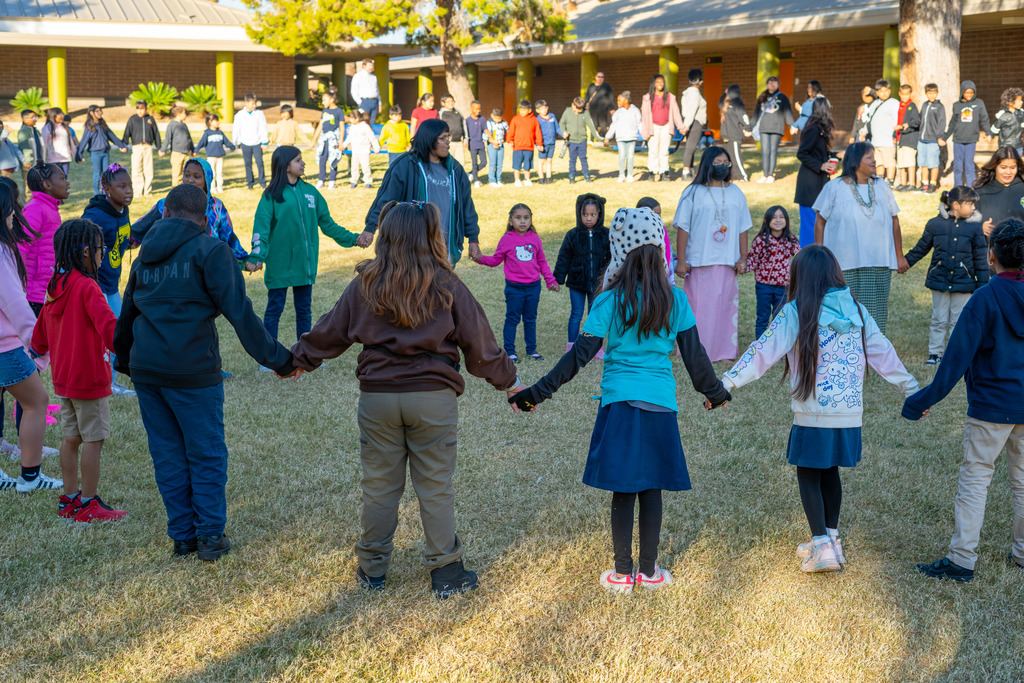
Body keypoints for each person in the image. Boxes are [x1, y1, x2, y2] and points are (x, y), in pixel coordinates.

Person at [290, 200, 520, 598]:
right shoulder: (448, 285)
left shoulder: (366, 283)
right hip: (433, 400)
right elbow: (480, 344)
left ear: (387, 236)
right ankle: (446, 574)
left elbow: (330, 330)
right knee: (435, 487)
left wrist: (299, 360)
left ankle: (372, 570)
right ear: (432, 237)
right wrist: (509, 383)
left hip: (378, 400)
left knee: (379, 487)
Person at [509, 206, 731, 592]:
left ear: (619, 250)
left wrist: (535, 395)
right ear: (660, 247)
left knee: (623, 488)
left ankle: (621, 572)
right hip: (661, 404)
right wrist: (714, 393)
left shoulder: (608, 301)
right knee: (652, 487)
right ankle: (649, 571)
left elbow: (578, 356)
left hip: (619, 405)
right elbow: (696, 358)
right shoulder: (675, 299)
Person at [114, 184, 295, 560]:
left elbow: (127, 312)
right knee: (206, 452)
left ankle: (183, 537)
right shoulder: (212, 251)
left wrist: (124, 361)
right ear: (206, 217)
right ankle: (210, 536)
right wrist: (281, 360)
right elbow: (240, 315)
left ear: (165, 213)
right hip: (192, 369)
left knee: (167, 453)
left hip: (147, 369)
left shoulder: (145, 253)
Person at [723, 245, 918, 573]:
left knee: (809, 473)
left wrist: (727, 382)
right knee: (830, 473)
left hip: (813, 413)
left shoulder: (796, 310)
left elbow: (763, 350)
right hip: (848, 415)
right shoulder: (855, 309)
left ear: (801, 277)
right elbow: (883, 351)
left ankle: (821, 546)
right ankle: (831, 541)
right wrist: (910, 388)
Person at [906, 218, 1024, 583]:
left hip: (991, 408)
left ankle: (961, 560)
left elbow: (954, 361)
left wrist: (921, 400)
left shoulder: (983, 299)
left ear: (991, 257)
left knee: (975, 480)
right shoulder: (984, 299)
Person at [31, 219, 126, 522]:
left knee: (70, 438)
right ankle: (89, 504)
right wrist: (130, 345)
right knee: (94, 440)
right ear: (86, 251)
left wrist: (39, 350)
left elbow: (40, 336)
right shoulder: (88, 286)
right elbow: (110, 330)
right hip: (89, 379)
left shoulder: (55, 286)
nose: (103, 254)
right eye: (100, 249)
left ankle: (69, 499)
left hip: (64, 380)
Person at [246, 146, 358, 352]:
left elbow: (328, 225)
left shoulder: (311, 192)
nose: (303, 163)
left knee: (304, 310)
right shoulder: (271, 196)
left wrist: (354, 239)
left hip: (303, 265)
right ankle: (270, 355)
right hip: (280, 264)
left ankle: (305, 352)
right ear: (285, 166)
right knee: (274, 310)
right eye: (298, 160)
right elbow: (260, 229)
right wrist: (257, 255)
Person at [812, 142, 908, 333]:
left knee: (875, 314)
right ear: (856, 161)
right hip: (843, 264)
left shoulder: (881, 186)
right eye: (869, 157)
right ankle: (844, 351)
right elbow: (820, 222)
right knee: (844, 314)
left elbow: (894, 221)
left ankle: (873, 349)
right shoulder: (834, 187)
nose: (874, 160)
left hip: (878, 262)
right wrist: (820, 257)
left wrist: (899, 255)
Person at [0, 177, 59, 492]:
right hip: (6, 349)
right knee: (37, 401)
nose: (16, 213)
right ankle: (31, 478)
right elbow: (14, 304)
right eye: (12, 207)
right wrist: (36, 343)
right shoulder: (1, 252)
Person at [673, 146, 753, 362]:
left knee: (725, 307)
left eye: (726, 162)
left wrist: (743, 257)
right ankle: (694, 351)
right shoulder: (692, 192)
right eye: (717, 162)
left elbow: (743, 228)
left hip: (728, 261)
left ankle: (724, 352)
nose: (722, 166)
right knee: (699, 309)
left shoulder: (736, 192)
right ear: (707, 164)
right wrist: (681, 261)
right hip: (699, 261)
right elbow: (683, 227)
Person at [362, 119, 482, 263]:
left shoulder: (455, 170)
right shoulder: (406, 165)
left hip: (445, 247)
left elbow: (467, 206)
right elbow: (386, 199)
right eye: (443, 138)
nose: (448, 142)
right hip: (412, 247)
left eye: (448, 137)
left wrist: (473, 239)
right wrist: (370, 228)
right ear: (429, 140)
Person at [904, 186, 988, 364]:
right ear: (956, 205)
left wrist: (982, 285)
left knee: (958, 321)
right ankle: (935, 353)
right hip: (939, 279)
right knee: (938, 319)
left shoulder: (974, 227)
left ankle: (957, 354)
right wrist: (905, 262)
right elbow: (921, 248)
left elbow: (981, 258)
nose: (973, 207)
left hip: (963, 282)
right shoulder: (935, 224)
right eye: (969, 203)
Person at [474, 203, 558, 361]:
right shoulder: (507, 240)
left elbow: (542, 262)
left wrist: (550, 281)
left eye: (526, 218)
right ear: (510, 221)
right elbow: (495, 260)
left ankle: (532, 350)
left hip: (533, 287)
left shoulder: (534, 238)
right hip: (514, 289)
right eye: (518, 218)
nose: (522, 221)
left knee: (530, 319)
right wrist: (480, 259)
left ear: (531, 220)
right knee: (512, 318)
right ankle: (510, 351)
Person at [82, 164, 136, 397]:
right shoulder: (96, 216)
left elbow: (121, 238)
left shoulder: (122, 210)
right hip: (97, 286)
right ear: (106, 188)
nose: (128, 191)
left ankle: (110, 381)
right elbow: (78, 242)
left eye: (129, 185)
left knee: (120, 332)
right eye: (121, 186)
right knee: (103, 335)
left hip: (112, 284)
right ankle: (100, 382)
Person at [131, 158, 248, 265]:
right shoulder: (167, 203)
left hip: (209, 264)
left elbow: (228, 236)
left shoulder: (216, 207)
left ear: (207, 180)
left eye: (196, 177)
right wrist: (119, 239)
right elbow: (141, 227)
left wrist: (244, 259)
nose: (190, 180)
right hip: (175, 266)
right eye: (187, 175)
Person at [553, 193, 609, 351]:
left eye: (593, 214)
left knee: (595, 316)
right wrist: (557, 279)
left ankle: (596, 348)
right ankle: (571, 346)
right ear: (579, 214)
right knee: (576, 314)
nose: (589, 218)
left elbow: (613, 258)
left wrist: (612, 279)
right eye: (585, 214)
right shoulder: (572, 235)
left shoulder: (606, 234)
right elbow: (564, 257)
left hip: (598, 284)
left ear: (599, 214)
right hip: (577, 283)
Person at [20, 163, 69, 315]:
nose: (67, 182)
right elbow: (20, 246)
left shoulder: (50, 208)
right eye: (62, 178)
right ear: (47, 185)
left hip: (47, 289)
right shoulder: (36, 208)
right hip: (33, 293)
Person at [746, 206, 800, 338]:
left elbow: (799, 256)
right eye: (774, 217)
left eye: (781, 217)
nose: (778, 220)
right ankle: (760, 347)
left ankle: (778, 347)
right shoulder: (760, 240)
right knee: (762, 317)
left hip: (783, 287)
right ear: (766, 220)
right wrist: (740, 268)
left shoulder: (791, 240)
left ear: (786, 220)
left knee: (780, 318)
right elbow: (751, 260)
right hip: (763, 286)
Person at [795, 98, 837, 246]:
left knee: (819, 220)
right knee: (809, 223)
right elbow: (802, 153)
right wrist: (821, 165)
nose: (831, 107)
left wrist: (835, 156)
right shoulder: (813, 129)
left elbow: (818, 152)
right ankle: (807, 254)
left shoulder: (820, 129)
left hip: (819, 182)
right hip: (809, 183)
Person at [940, 80, 991, 187]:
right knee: (958, 166)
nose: (969, 95)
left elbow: (985, 119)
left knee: (969, 166)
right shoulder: (957, 105)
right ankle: (957, 187)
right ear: (962, 92)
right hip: (958, 140)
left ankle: (970, 188)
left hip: (971, 139)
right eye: (967, 92)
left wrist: (988, 132)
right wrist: (944, 137)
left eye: (971, 93)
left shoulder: (979, 103)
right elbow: (952, 123)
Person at [640, 75, 684, 182]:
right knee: (653, 150)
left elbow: (676, 113)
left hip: (666, 126)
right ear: (653, 84)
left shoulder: (670, 97)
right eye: (657, 82)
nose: (660, 84)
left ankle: (664, 172)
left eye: (662, 82)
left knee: (664, 151)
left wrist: (681, 126)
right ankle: (652, 172)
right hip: (653, 127)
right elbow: (644, 116)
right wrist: (644, 131)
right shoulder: (647, 98)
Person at [76, 105, 128, 195]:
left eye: (101, 111)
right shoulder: (90, 126)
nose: (100, 113)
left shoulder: (102, 124)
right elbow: (83, 141)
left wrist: (121, 145)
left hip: (105, 153)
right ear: (91, 113)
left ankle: (105, 193)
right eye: (97, 111)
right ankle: (96, 193)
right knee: (97, 174)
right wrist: (79, 155)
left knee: (106, 174)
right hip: (95, 154)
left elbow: (112, 136)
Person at [974, 147, 1024, 238]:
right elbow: (965, 221)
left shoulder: (1022, 188)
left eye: (1013, 167)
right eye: (1003, 167)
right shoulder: (982, 191)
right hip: (991, 249)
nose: (1008, 172)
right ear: (995, 166)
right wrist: (980, 227)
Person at [754, 76, 795, 184]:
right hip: (764, 128)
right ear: (767, 84)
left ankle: (771, 175)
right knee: (765, 151)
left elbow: (788, 112)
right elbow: (756, 114)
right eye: (770, 82)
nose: (772, 84)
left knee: (773, 151)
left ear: (778, 84)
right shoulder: (762, 96)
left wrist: (791, 125)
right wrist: (749, 127)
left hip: (777, 128)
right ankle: (765, 174)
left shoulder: (783, 97)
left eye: (775, 82)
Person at [123, 100, 161, 197]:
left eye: (142, 109)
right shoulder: (132, 119)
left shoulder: (150, 119)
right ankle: (137, 192)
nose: (140, 111)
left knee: (148, 170)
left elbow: (156, 134)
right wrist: (124, 144)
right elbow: (127, 133)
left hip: (148, 147)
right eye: (138, 109)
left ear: (146, 109)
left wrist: (159, 147)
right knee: (137, 169)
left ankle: (148, 191)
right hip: (137, 148)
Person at [560, 96, 600, 184]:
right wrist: (564, 132)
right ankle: (572, 176)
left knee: (583, 158)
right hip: (572, 141)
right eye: (578, 109)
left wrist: (598, 137)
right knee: (572, 159)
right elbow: (562, 123)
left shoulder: (585, 113)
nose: (580, 111)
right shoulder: (567, 112)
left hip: (582, 140)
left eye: (581, 108)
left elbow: (591, 125)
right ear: (573, 105)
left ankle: (586, 175)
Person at [232, 94, 269, 190]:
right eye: (252, 104)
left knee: (259, 163)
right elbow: (236, 129)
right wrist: (235, 142)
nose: (254, 106)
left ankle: (262, 182)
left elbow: (263, 127)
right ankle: (250, 183)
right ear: (246, 103)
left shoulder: (259, 114)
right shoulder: (239, 115)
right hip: (245, 143)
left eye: (255, 103)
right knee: (248, 164)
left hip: (257, 143)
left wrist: (264, 141)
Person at [604, 91, 642, 183]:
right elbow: (613, 125)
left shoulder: (635, 110)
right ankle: (621, 175)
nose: (617, 102)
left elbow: (640, 123)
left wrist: (644, 134)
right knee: (621, 156)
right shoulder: (618, 112)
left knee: (630, 156)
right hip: (621, 138)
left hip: (631, 137)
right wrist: (608, 137)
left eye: (619, 100)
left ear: (626, 100)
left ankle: (629, 175)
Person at [311, 90, 345, 189]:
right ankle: (321, 180)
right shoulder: (325, 111)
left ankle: (332, 181)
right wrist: (314, 140)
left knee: (333, 159)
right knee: (322, 159)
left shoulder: (339, 111)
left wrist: (341, 142)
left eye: (324, 100)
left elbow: (342, 127)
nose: (323, 102)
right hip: (324, 140)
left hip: (333, 140)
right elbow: (320, 126)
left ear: (332, 100)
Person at [867, 80, 899, 184]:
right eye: (881, 91)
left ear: (890, 91)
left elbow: (896, 120)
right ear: (877, 92)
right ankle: (879, 178)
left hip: (888, 139)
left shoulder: (894, 103)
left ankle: (890, 180)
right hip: (876, 139)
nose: (884, 93)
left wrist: (895, 135)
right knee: (878, 161)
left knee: (889, 162)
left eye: (886, 90)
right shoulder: (874, 104)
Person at [194, 115, 235, 195]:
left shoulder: (220, 132)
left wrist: (232, 147)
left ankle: (220, 187)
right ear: (210, 122)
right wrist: (196, 149)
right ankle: (212, 188)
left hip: (220, 156)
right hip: (211, 156)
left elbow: (226, 142)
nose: (218, 122)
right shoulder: (207, 133)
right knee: (212, 172)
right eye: (216, 121)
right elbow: (201, 143)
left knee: (219, 172)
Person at [718, 84, 751, 182]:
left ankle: (743, 176)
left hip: (735, 135)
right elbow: (719, 103)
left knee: (736, 158)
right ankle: (734, 175)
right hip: (727, 136)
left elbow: (743, 116)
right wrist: (724, 94)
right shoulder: (726, 103)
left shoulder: (737, 103)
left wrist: (747, 128)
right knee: (729, 157)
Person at [917, 84, 946, 193]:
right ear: (926, 94)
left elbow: (942, 123)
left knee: (933, 163)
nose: (932, 95)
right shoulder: (924, 105)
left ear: (937, 93)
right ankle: (924, 183)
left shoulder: (939, 106)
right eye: (929, 93)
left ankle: (933, 184)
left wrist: (939, 137)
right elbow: (920, 120)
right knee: (923, 163)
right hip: (922, 139)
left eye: (934, 93)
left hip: (933, 140)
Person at [679, 69, 708, 180]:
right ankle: (686, 172)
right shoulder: (694, 93)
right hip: (694, 123)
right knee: (690, 148)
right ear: (699, 81)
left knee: (691, 147)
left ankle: (690, 170)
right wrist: (686, 126)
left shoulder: (686, 93)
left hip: (690, 121)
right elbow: (691, 110)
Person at [342, 109, 380, 190]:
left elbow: (372, 137)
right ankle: (354, 181)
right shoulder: (352, 127)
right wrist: (344, 145)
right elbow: (349, 138)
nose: (350, 119)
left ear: (357, 118)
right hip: (355, 150)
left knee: (366, 167)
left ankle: (368, 181)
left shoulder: (365, 126)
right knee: (354, 167)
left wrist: (376, 147)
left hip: (364, 151)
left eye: (352, 118)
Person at [508, 99, 542, 186]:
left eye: (524, 110)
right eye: (521, 109)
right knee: (517, 164)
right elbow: (511, 131)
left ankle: (527, 179)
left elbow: (537, 132)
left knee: (528, 165)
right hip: (517, 147)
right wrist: (509, 140)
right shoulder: (515, 119)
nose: (522, 112)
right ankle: (517, 180)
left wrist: (539, 143)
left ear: (529, 110)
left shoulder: (534, 120)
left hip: (529, 147)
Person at [894, 85, 921, 191]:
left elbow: (916, 122)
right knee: (901, 163)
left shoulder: (912, 106)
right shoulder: (899, 106)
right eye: (903, 94)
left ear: (910, 94)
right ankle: (903, 183)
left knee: (910, 162)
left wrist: (906, 126)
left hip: (909, 138)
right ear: (899, 94)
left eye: (907, 94)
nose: (905, 96)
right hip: (900, 139)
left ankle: (912, 184)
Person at [159, 107, 194, 188]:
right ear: (179, 114)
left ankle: (185, 188)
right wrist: (163, 150)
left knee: (186, 172)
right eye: (184, 113)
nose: (185, 115)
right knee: (177, 173)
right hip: (177, 153)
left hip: (186, 153)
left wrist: (193, 149)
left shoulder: (184, 125)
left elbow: (189, 138)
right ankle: (176, 189)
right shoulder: (172, 125)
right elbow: (167, 138)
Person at [16, 110, 44, 203]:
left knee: (38, 186)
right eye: (33, 117)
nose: (35, 119)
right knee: (29, 188)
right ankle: (28, 208)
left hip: (38, 163)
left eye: (36, 117)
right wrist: (27, 161)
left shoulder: (35, 130)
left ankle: (37, 204)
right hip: (29, 165)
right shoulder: (24, 131)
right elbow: (25, 147)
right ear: (25, 119)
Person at [41, 107, 78, 178]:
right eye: (59, 114)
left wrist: (76, 155)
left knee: (64, 178)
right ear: (53, 115)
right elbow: (44, 144)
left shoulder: (64, 127)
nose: (62, 116)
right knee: (55, 179)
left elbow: (71, 143)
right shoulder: (47, 128)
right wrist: (42, 160)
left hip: (65, 159)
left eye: (62, 114)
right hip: (53, 160)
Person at [534, 100, 562, 185]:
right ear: (537, 110)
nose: (544, 110)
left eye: (545, 108)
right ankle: (541, 178)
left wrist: (563, 134)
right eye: (541, 109)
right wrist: (538, 144)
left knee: (549, 160)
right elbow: (535, 133)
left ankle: (549, 177)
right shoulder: (537, 120)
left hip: (552, 142)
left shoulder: (552, 116)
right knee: (542, 161)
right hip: (543, 144)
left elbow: (557, 128)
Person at [990, 87, 1024, 155]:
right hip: (1005, 148)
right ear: (1011, 102)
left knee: (1016, 165)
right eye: (1019, 100)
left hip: (1019, 147)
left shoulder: (1021, 113)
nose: (1022, 102)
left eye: (1021, 100)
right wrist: (990, 136)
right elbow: (995, 129)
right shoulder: (1002, 115)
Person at [350, 58, 382, 124]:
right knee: (363, 121)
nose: (371, 67)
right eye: (369, 65)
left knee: (372, 122)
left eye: (372, 66)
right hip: (364, 102)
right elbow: (353, 90)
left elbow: (377, 90)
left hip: (374, 101)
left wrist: (379, 103)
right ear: (364, 66)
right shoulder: (358, 76)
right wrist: (359, 101)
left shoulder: (373, 77)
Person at [438, 95, 465, 168]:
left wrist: (465, 138)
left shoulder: (457, 112)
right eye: (448, 101)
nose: (451, 103)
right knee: (448, 162)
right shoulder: (441, 113)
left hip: (459, 141)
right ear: (443, 103)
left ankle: (457, 178)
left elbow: (463, 125)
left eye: (452, 101)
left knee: (461, 162)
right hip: (448, 142)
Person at [584, 71, 615, 136]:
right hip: (593, 109)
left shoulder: (606, 86)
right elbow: (587, 96)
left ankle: (604, 138)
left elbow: (610, 97)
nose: (600, 78)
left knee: (603, 124)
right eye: (599, 77)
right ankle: (592, 139)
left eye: (602, 77)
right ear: (595, 77)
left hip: (603, 109)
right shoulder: (591, 86)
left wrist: (611, 108)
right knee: (593, 124)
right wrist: (585, 105)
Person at [464, 101, 487, 187]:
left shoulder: (482, 119)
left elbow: (485, 130)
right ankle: (476, 180)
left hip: (480, 144)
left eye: (479, 109)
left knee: (484, 162)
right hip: (472, 144)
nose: (478, 110)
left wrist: (491, 138)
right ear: (471, 109)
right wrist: (465, 141)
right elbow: (465, 132)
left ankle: (470, 173)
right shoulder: (467, 120)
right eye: (476, 109)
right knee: (474, 163)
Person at [485, 108, 508, 187]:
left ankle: (498, 179)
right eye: (496, 118)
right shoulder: (488, 123)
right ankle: (492, 180)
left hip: (501, 146)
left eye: (500, 118)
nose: (498, 120)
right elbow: (485, 136)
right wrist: (493, 142)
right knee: (493, 163)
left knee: (500, 164)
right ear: (492, 115)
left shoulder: (504, 123)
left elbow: (507, 132)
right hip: (491, 145)